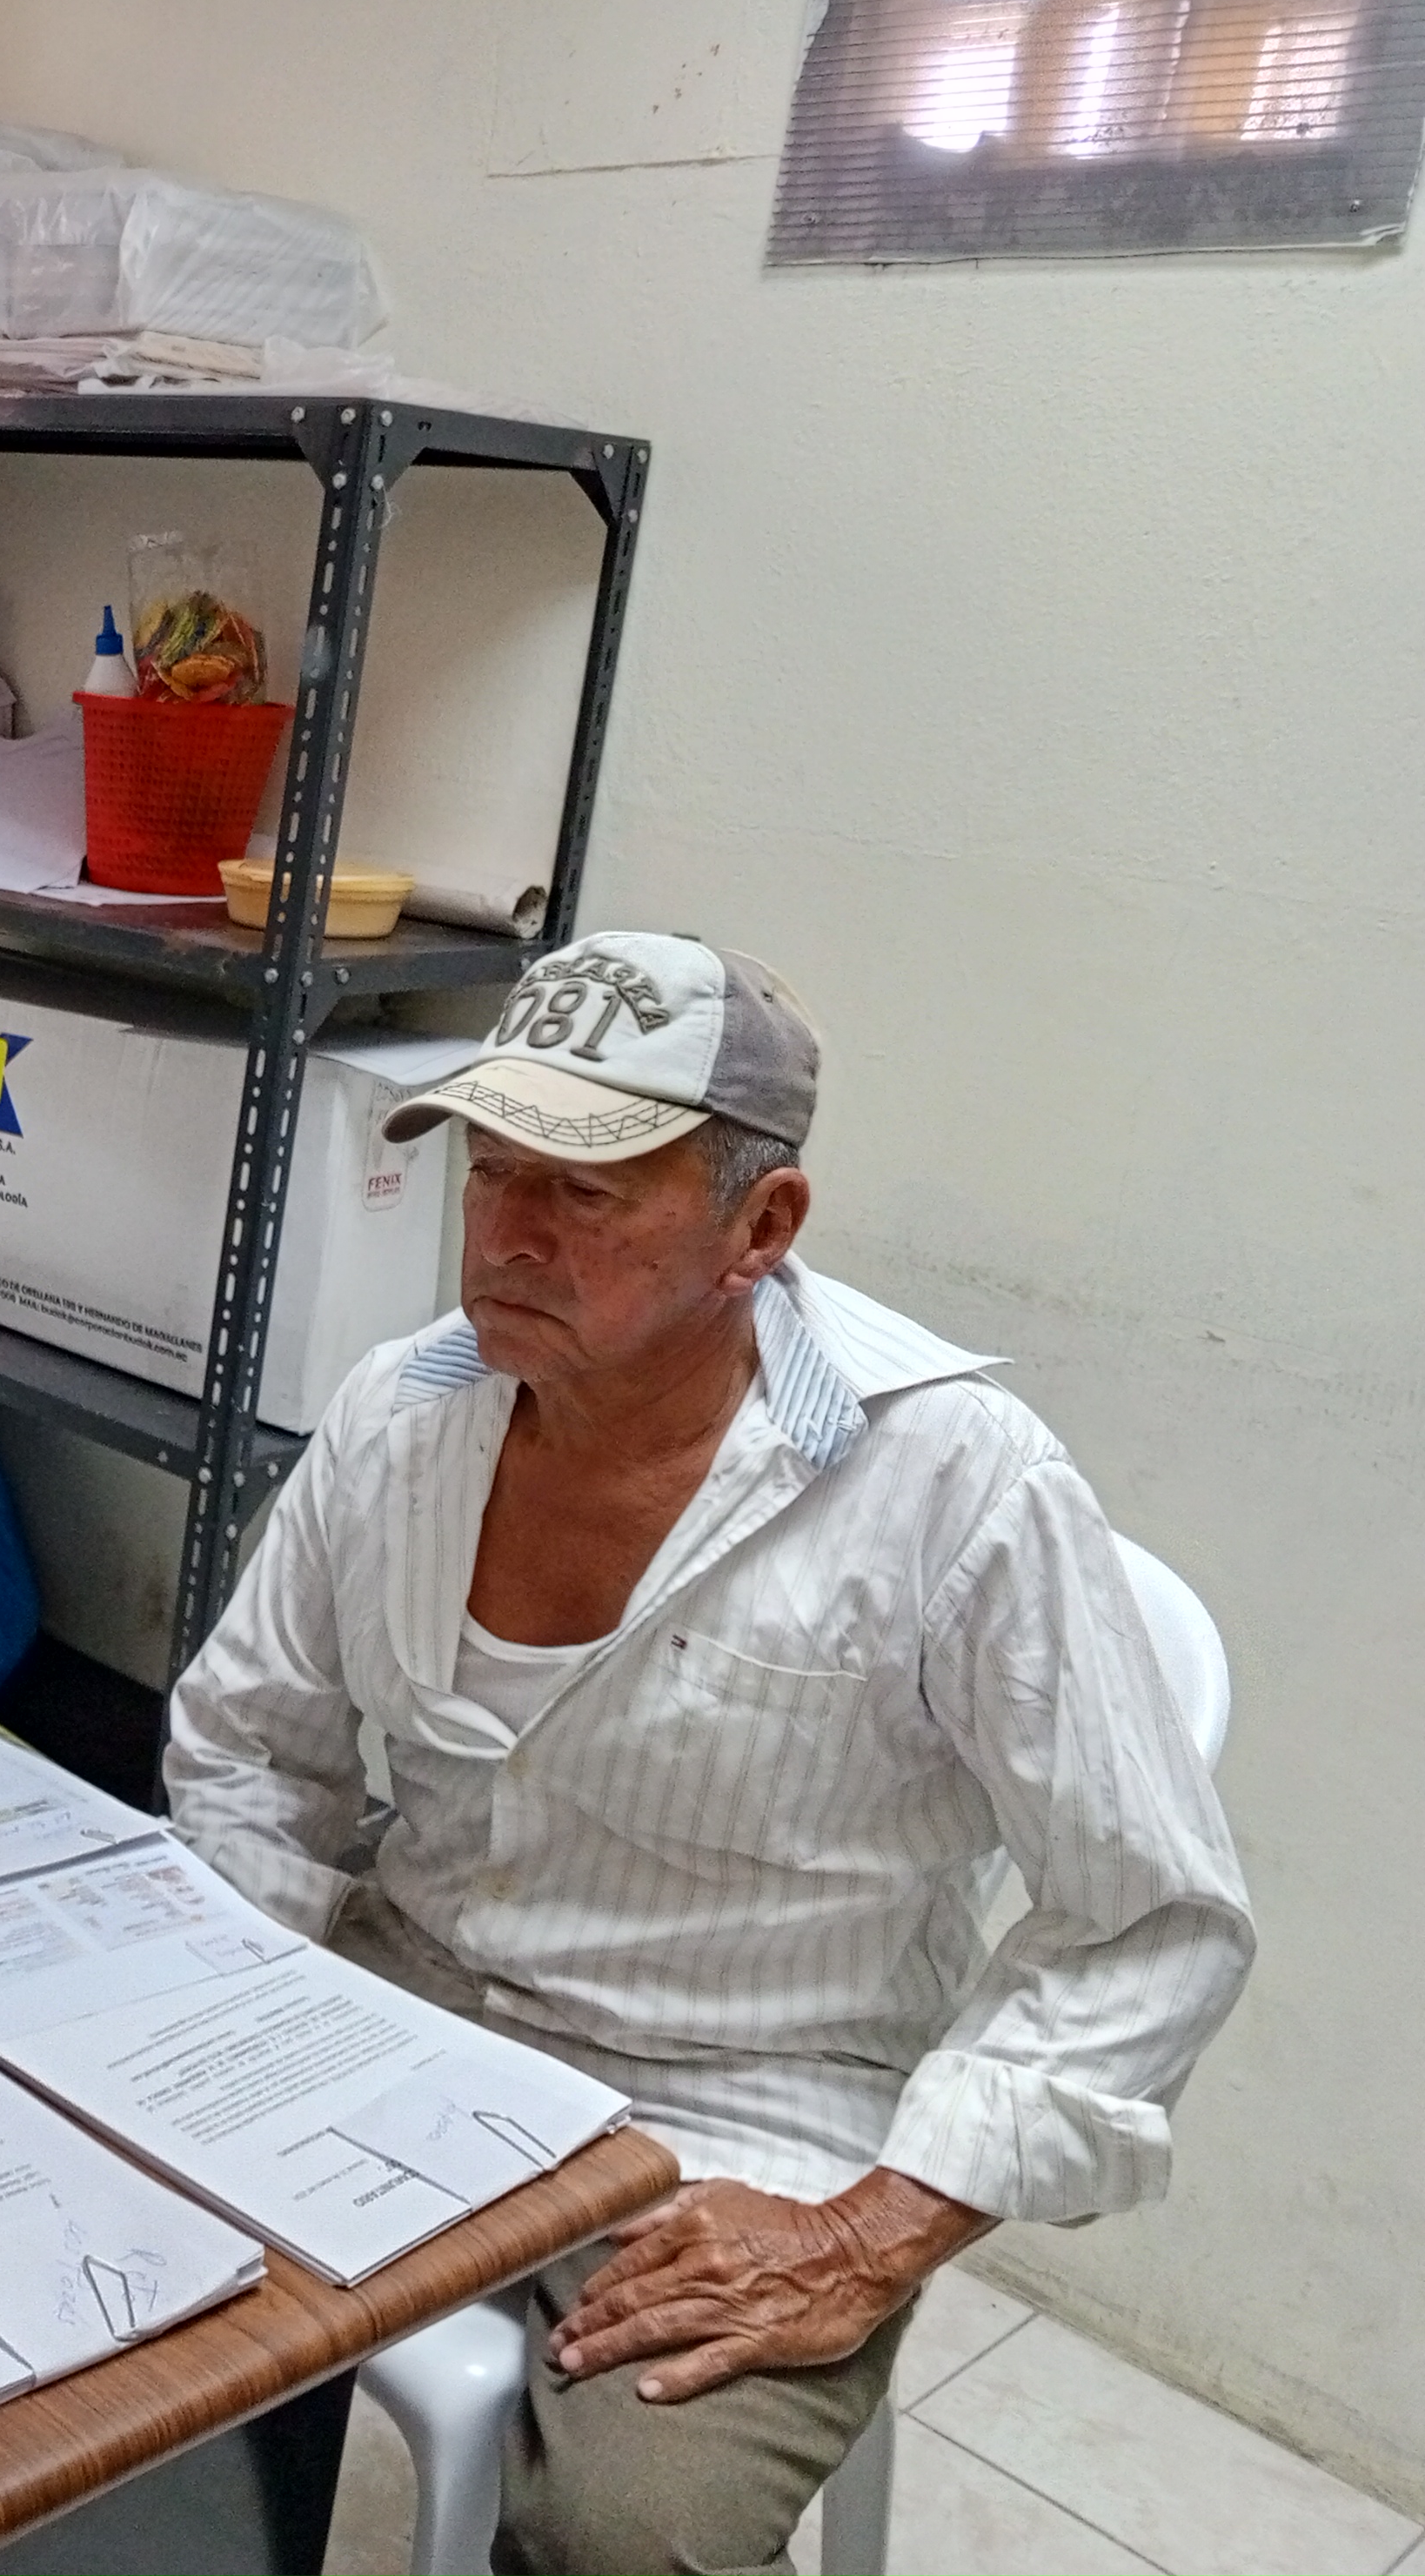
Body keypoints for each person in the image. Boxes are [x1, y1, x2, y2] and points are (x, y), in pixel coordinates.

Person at [164, 932, 1252, 2576]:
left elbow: (1154, 1922)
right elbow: (254, 1743)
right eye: (491, 1169)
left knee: (626, 2534)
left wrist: (871, 2230)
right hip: (404, 2000)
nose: (509, 1235)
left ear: (762, 1226)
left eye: (586, 1191)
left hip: (743, 2099)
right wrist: (247, 2019)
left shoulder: (954, 1484)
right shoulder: (400, 1413)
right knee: (101, 2320)